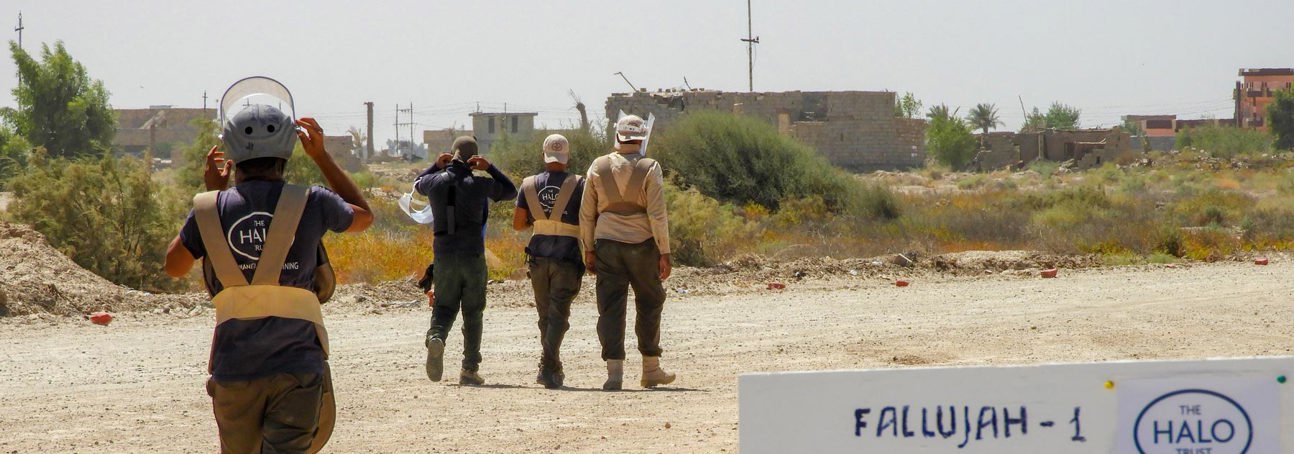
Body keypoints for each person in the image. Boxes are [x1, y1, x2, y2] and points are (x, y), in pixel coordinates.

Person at [164, 99, 373, 453]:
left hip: (234, 370)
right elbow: (363, 217)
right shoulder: (313, 201)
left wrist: (214, 194)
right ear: (287, 150)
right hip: (298, 367)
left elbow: (174, 266)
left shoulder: (208, 207)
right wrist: (321, 157)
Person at [579, 115, 676, 390]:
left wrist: (588, 248)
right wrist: (665, 251)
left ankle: (614, 374)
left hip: (607, 244)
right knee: (650, 301)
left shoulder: (597, 166)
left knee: (610, 306)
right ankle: (651, 369)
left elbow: (586, 214)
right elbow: (657, 214)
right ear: (642, 137)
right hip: (642, 244)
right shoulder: (650, 167)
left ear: (617, 136)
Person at [416, 136, 517, 385]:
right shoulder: (479, 184)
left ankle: (436, 337)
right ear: (474, 159)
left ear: (451, 155)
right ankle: (469, 369)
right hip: (472, 255)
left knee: (443, 307)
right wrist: (489, 167)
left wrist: (436, 166)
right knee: (473, 312)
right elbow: (511, 191)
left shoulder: (433, 182)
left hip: (445, 255)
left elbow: (417, 184)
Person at [513, 134, 585, 389]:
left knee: (545, 315)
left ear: (544, 155)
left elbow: (518, 223)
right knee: (559, 315)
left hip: (538, 256)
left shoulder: (529, 184)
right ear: (567, 157)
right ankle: (548, 363)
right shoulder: (579, 184)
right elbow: (588, 219)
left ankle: (550, 367)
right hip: (566, 255)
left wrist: (540, 218)